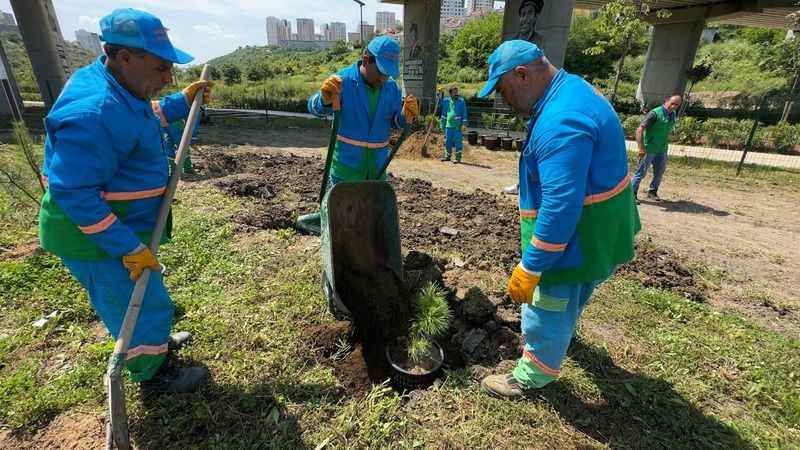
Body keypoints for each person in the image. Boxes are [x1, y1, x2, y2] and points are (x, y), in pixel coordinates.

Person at [38, 8, 213, 393]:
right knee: (136, 303)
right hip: (95, 236)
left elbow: (138, 120)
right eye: (161, 68)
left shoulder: (118, 86)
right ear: (125, 57)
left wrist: (179, 103)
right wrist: (127, 247)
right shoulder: (94, 111)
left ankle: (154, 347)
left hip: (120, 224)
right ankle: (154, 375)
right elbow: (73, 193)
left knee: (146, 295)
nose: (168, 77)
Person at [477, 40, 640, 398]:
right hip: (601, 229)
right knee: (574, 294)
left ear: (522, 75)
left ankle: (531, 375)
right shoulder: (573, 90)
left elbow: (560, 206)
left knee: (547, 303)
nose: (503, 100)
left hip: (575, 238)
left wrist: (533, 265)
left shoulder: (559, 122)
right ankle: (562, 333)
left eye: (502, 90)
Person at [308, 36, 419, 186]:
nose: (384, 78)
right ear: (366, 60)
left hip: (377, 170)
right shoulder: (342, 81)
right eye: (381, 71)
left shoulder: (392, 88)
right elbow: (313, 108)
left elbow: (395, 122)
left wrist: (405, 116)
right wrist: (323, 99)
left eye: (388, 73)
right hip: (346, 171)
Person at [631, 95, 682, 203]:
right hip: (649, 148)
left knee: (659, 172)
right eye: (672, 103)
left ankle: (652, 192)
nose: (673, 106)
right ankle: (631, 195)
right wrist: (641, 148)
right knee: (641, 173)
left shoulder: (672, 114)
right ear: (666, 101)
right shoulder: (654, 114)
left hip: (662, 149)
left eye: (677, 105)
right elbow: (639, 130)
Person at [439, 86, 468, 163]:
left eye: (457, 92)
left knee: (458, 142)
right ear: (450, 94)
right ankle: (447, 156)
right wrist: (440, 93)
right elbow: (439, 103)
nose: (456, 94)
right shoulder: (446, 101)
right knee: (447, 141)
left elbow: (464, 112)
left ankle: (458, 158)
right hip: (448, 126)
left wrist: (464, 124)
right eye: (454, 92)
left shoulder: (461, 101)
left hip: (458, 126)